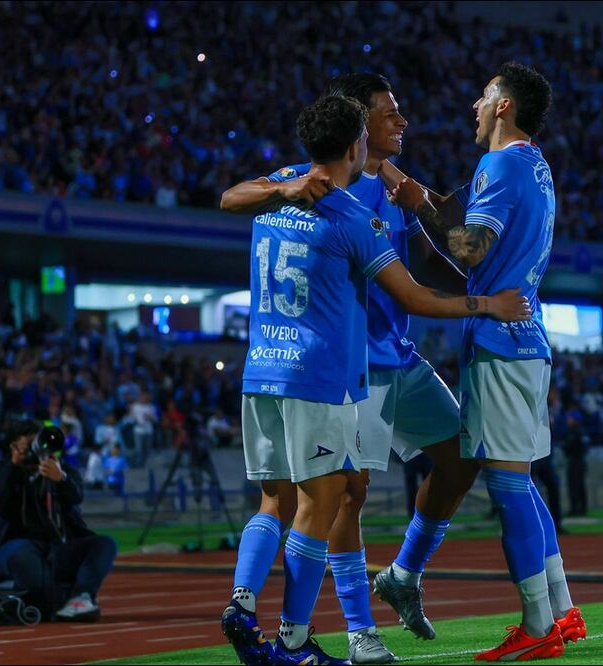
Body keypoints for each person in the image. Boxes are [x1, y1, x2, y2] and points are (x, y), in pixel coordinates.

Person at [220, 94, 530, 666]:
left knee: (459, 458)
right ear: (357, 130)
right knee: (342, 494)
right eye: (388, 113)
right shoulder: (346, 204)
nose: (402, 120)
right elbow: (409, 289)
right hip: (342, 368)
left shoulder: (379, 188)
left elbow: (440, 263)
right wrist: (487, 303)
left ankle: (398, 574)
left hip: (381, 358)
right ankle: (349, 631)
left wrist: (430, 205)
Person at [386, 62, 584, 661]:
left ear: (504, 107)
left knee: (505, 485)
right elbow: (479, 246)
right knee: (521, 482)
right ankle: (562, 608)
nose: (474, 106)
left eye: (482, 97)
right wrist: (427, 198)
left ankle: (536, 624)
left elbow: (473, 248)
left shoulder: (499, 163)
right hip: (528, 339)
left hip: (500, 343)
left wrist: (423, 209)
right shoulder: (537, 165)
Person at [0, 421, 117, 622]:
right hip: (14, 547)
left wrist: (61, 479)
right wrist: (13, 466)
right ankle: (52, 599)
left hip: (56, 548)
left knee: (105, 544)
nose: (37, 449)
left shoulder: (60, 469)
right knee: (25, 557)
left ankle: (79, 598)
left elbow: (76, 497)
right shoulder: (0, 469)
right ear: (13, 446)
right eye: (28, 444)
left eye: (38, 442)